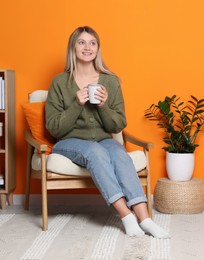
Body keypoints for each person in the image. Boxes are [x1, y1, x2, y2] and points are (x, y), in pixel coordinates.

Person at [45, 26, 170, 239]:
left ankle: (145, 219)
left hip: (103, 139)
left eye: (92, 43)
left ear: (98, 48)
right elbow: (54, 127)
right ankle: (126, 216)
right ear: (73, 47)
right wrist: (76, 104)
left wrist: (103, 106)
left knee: (120, 154)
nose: (87, 47)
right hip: (69, 141)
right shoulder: (59, 82)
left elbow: (117, 126)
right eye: (81, 42)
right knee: (94, 151)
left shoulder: (110, 81)